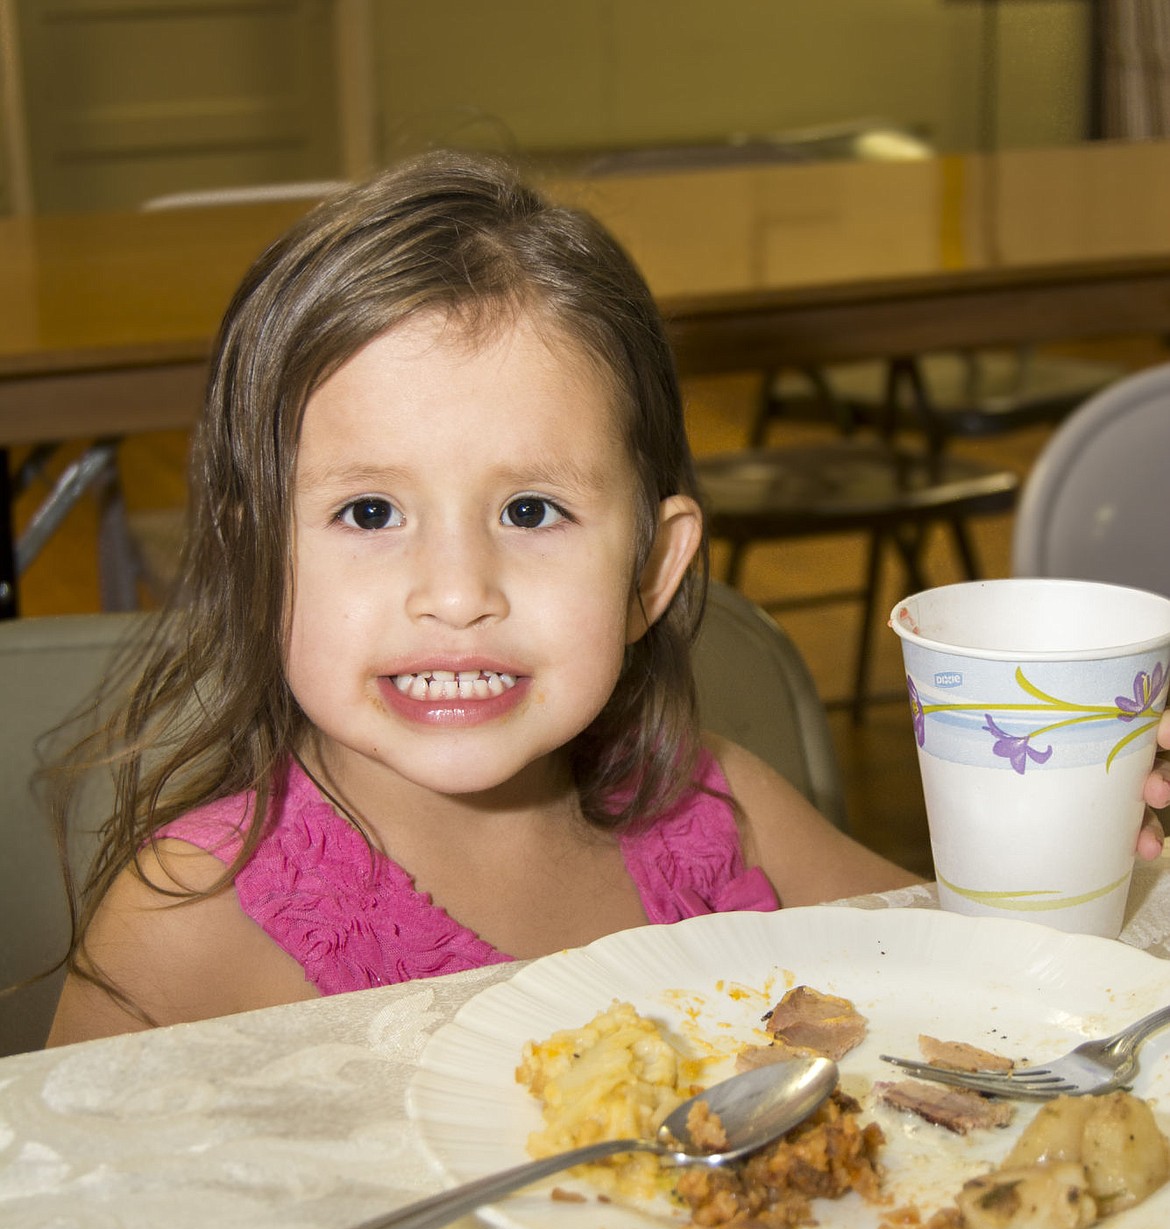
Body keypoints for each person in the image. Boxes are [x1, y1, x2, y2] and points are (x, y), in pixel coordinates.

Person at [44, 153, 1168, 1045]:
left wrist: (1129, 856)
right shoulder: (186, 925)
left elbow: (986, 999)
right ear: (258, 563)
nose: (456, 594)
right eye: (370, 513)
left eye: (531, 512)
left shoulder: (723, 811)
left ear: (651, 572)